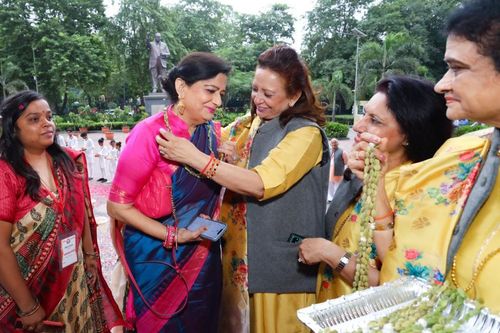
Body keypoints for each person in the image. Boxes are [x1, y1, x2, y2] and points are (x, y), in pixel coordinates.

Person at [157, 45, 330, 333]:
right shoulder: (248, 125)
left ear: (295, 95)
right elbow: (209, 142)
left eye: (269, 94)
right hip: (238, 258)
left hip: (281, 270)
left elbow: (261, 183)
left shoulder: (305, 133)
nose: (258, 99)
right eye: (255, 89)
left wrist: (194, 157)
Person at [352, 0, 500, 313]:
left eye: (458, 69)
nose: (442, 83)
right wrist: (375, 183)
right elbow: (401, 262)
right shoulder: (456, 156)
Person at [298, 76, 453, 302]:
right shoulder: (363, 173)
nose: (357, 126)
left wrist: (330, 253)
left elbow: (402, 283)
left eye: (374, 120)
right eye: (364, 114)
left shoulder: (419, 193)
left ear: (408, 135)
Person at [107, 52, 231, 332]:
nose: (219, 102)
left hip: (202, 252)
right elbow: (117, 207)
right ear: (181, 87)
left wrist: (225, 163)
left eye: (221, 93)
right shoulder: (149, 134)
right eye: (210, 91)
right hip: (156, 254)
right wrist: (174, 235)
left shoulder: (212, 133)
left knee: (202, 319)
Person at [0, 91, 123, 332]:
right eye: (34, 119)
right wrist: (28, 306)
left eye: (48, 116)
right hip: (27, 287)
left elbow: (81, 212)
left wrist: (89, 254)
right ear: (13, 129)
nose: (47, 123)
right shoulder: (6, 174)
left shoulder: (67, 161)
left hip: (73, 276)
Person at [327, 138, 347, 202]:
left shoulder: (342, 151)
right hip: (330, 170)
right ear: (330, 144)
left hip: (338, 170)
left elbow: (346, 162)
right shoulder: (329, 151)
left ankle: (336, 198)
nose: (334, 144)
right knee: (330, 183)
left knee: (337, 184)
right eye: (332, 143)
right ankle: (330, 197)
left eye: (335, 142)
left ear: (338, 143)